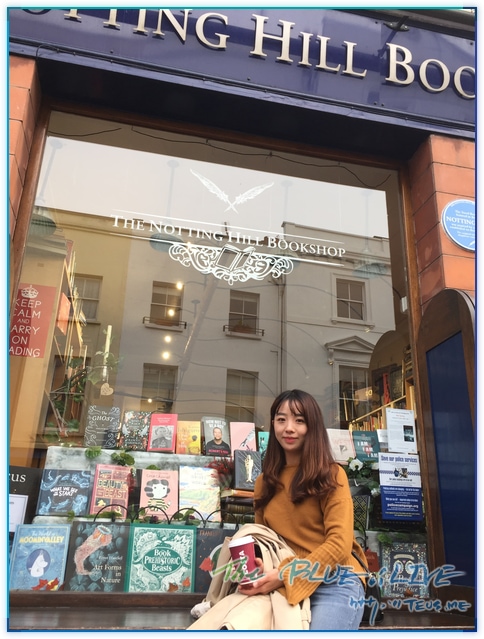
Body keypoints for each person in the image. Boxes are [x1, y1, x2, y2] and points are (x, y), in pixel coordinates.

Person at [237, 389, 367, 630]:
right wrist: (261, 567)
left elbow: (339, 544)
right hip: (282, 584)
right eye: (281, 419)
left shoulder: (331, 474)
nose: (289, 428)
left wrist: (284, 574)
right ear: (273, 424)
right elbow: (265, 541)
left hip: (335, 581)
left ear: (312, 427)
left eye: (299, 420)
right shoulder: (264, 482)